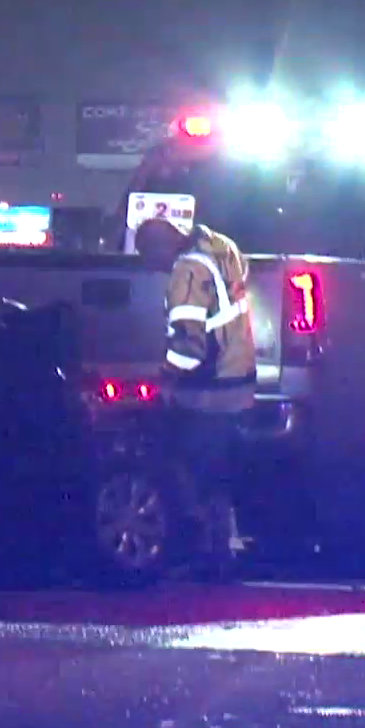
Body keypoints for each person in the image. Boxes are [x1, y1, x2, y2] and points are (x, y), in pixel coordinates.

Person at [135, 215, 258, 567]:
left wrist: (165, 378)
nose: (152, 266)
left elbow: (190, 346)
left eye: (149, 256)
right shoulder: (218, 245)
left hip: (210, 390)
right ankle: (226, 545)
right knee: (220, 469)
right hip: (239, 379)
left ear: (162, 246)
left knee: (198, 472)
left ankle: (213, 552)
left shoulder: (186, 274)